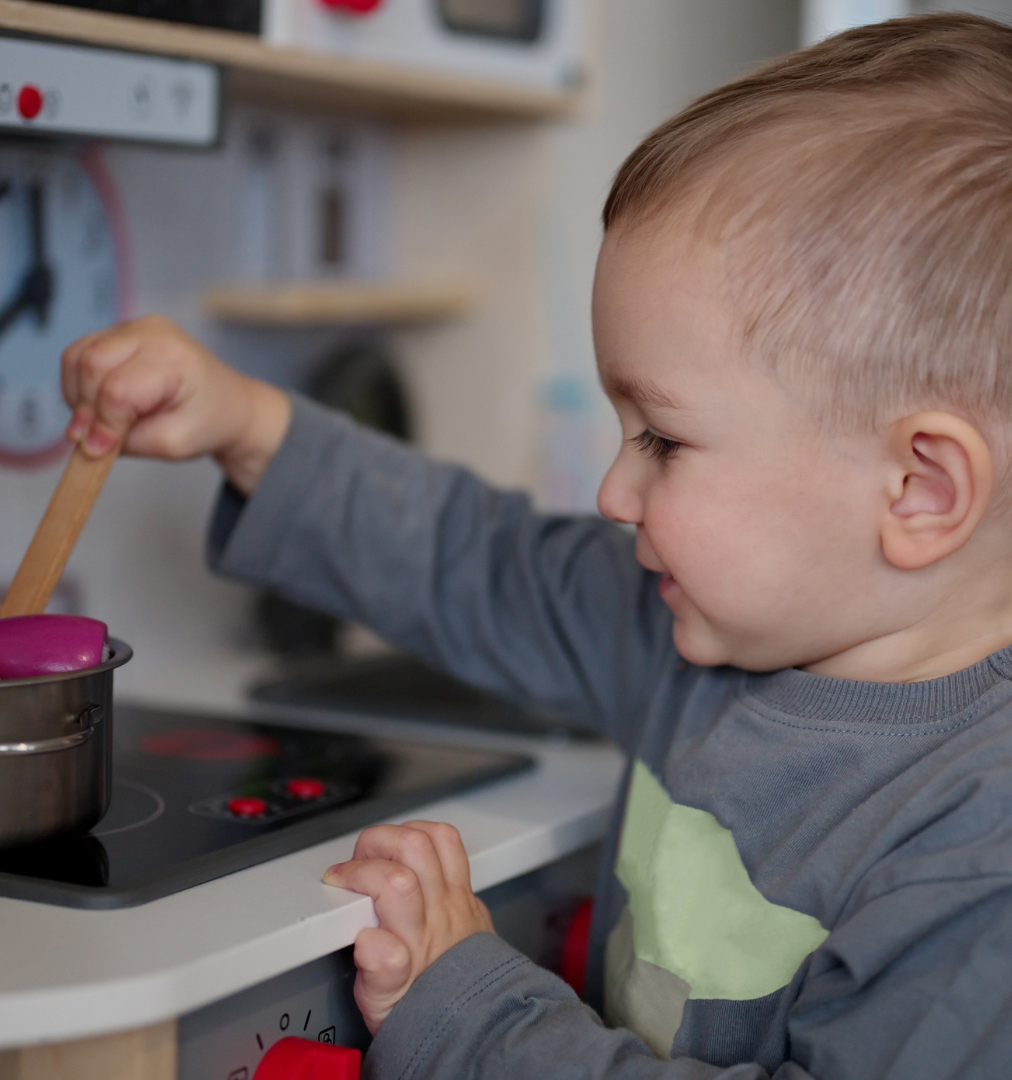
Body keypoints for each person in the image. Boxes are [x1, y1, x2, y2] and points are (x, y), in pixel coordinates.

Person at [61, 13, 1012, 1078]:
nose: (615, 490)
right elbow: (484, 562)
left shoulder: (982, 856)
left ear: (922, 490)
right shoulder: (715, 627)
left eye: (663, 438)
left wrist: (470, 1009)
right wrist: (247, 426)